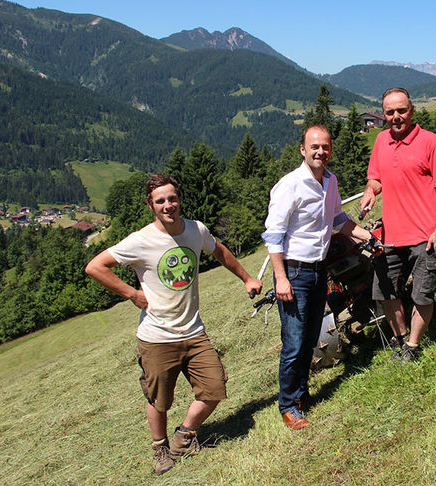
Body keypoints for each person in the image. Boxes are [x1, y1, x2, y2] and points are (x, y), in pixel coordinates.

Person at [85, 174, 262, 475]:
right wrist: (131, 293)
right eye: (160, 201)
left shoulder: (195, 230)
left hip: (193, 330)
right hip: (156, 336)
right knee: (159, 399)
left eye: (172, 198)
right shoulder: (140, 240)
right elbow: (95, 266)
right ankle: (160, 450)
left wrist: (247, 278)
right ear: (150, 205)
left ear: (179, 198)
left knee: (215, 387)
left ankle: (184, 436)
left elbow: (218, 251)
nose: (168, 205)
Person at [262, 125, 376, 430]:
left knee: (310, 337)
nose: (320, 152)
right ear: (302, 149)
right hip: (294, 272)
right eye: (314, 147)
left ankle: (301, 395)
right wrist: (280, 278)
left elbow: (338, 218)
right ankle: (288, 405)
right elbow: (273, 235)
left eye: (325, 147)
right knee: (295, 341)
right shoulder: (289, 185)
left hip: (318, 270)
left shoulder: (330, 181)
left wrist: (367, 235)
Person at [360, 87, 436, 363]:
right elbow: (375, 178)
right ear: (383, 115)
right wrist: (369, 191)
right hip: (390, 236)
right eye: (390, 112)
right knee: (384, 292)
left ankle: (413, 346)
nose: (396, 117)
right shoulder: (380, 142)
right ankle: (400, 340)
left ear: (411, 111)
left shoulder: (430, 142)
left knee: (422, 295)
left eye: (401, 110)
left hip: (425, 235)